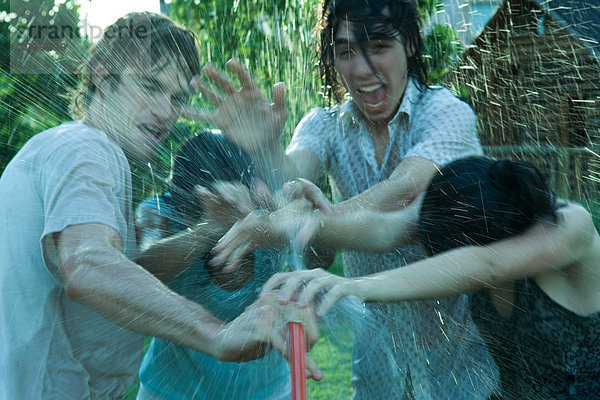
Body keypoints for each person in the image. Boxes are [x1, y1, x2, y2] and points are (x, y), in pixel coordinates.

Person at [0, 12, 318, 400]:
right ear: (103, 74)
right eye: (150, 86)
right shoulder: (86, 149)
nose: (167, 112)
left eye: (178, 98)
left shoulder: (66, 149)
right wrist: (215, 333)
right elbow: (87, 265)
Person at [193, 0, 498, 398]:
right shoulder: (324, 124)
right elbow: (292, 179)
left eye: (379, 46)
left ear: (409, 43)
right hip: (376, 365)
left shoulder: (445, 113)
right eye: (346, 51)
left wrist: (319, 220)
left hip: (460, 362)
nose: (361, 69)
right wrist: (267, 148)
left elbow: (405, 188)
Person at [262, 156, 600, 399]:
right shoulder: (478, 208)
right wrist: (299, 223)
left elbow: (486, 265)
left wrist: (356, 285)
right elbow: (386, 229)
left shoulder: (571, 226)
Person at [134, 131, 295, 400]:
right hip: (171, 391)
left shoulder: (266, 215)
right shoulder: (160, 210)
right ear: (182, 196)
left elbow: (318, 258)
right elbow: (141, 271)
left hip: (265, 391)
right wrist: (211, 226)